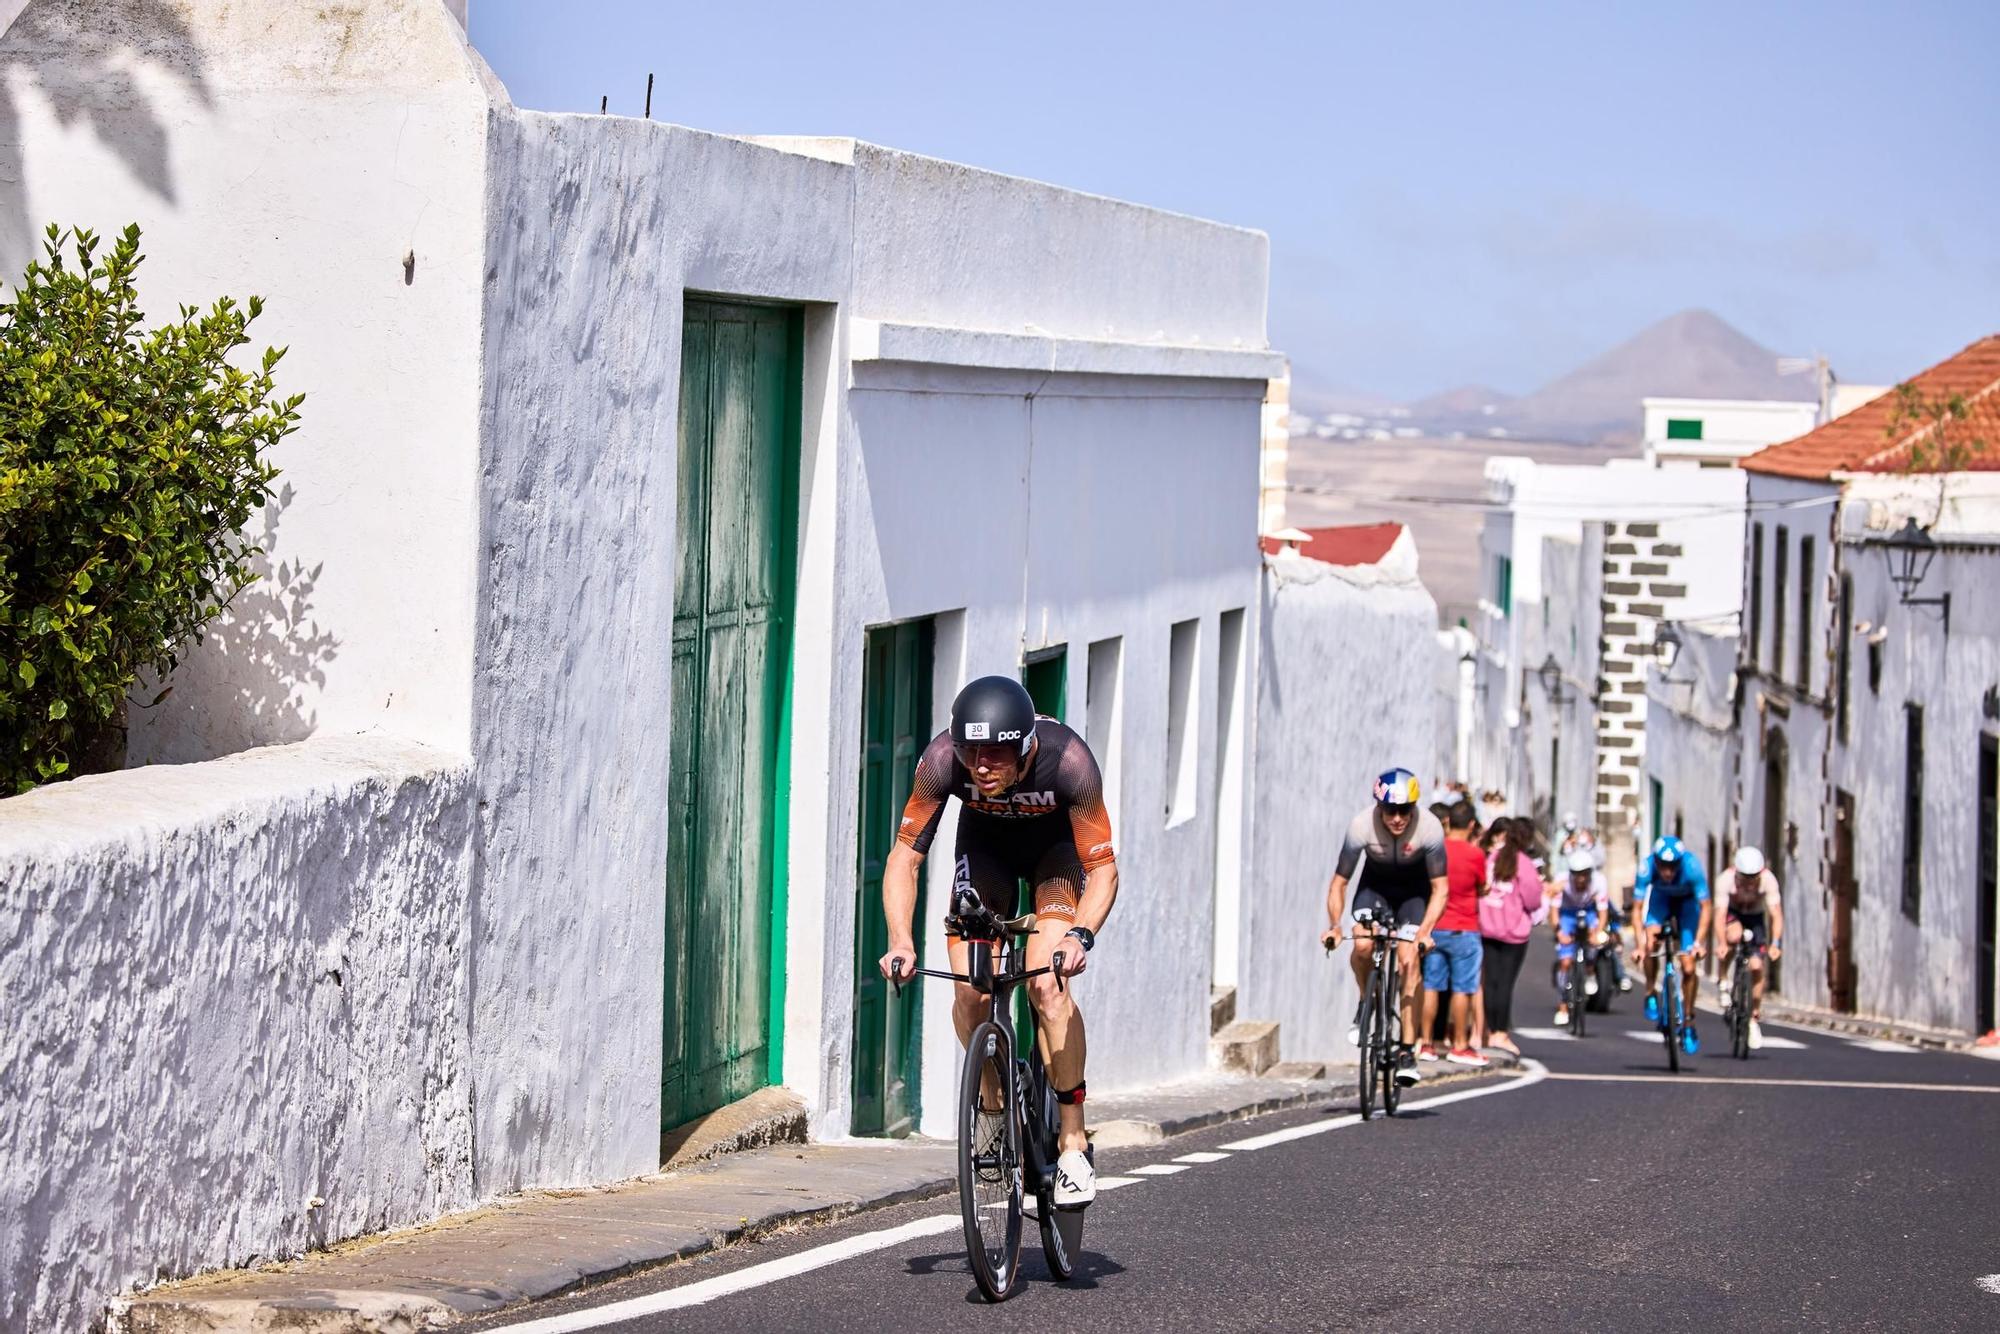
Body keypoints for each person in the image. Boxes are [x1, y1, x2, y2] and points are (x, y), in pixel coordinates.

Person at [878, 676, 1117, 1207]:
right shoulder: (942, 760)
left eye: (997, 752)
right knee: (971, 991)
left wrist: (1081, 935)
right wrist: (900, 940)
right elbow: (905, 857)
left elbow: (1102, 869)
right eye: (972, 752)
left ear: (1027, 744)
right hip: (985, 853)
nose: (981, 765)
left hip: (1055, 857)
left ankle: (1074, 1140)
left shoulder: (1070, 762)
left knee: (1048, 986)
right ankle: (991, 1106)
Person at [1321, 769, 1449, 1087]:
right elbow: (1339, 883)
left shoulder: (1430, 828)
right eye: (1389, 810)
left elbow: (1441, 888)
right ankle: (1367, 1002)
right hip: (1375, 888)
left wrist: (1425, 931)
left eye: (1405, 810)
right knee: (1362, 945)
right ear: (1378, 806)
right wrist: (1335, 926)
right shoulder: (1361, 826)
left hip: (1413, 894)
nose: (1397, 818)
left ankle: (1407, 1051)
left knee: (1408, 961)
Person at [1419, 801, 1489, 1066]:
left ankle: (1426, 1042)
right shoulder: (1475, 854)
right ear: (1471, 824)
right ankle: (1460, 1044)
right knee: (1463, 988)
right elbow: (1481, 886)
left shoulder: (1437, 850)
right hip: (1464, 928)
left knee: (1431, 986)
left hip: (1436, 926)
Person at [1628, 835, 1712, 1055]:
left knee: (1688, 966)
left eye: (1672, 867)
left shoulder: (1692, 867)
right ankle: (1649, 990)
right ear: (1656, 861)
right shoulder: (1646, 867)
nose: (1667, 872)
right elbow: (1637, 910)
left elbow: (1706, 907)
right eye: (1663, 866)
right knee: (1650, 942)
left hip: (1687, 907)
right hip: (1660, 902)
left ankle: (1689, 1020)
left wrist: (1698, 943)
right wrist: (1639, 945)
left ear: (1680, 862)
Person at [1475, 822, 1543, 1054]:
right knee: (1505, 983)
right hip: (1513, 932)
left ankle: (1490, 1030)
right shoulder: (1523, 863)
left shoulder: (1492, 858)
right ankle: (1500, 1033)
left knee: (1490, 982)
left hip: (1488, 926)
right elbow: (1534, 899)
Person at [1715, 845, 1785, 1050]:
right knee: (1733, 936)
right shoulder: (1725, 880)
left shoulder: (1768, 880)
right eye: (1744, 877)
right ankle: (1724, 980)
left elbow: (1776, 915)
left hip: (1755, 917)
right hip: (1733, 914)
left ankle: (1753, 1014)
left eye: (1753, 877)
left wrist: (1776, 943)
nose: (1748, 882)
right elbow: (1719, 916)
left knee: (1756, 967)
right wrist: (1721, 943)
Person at [1550, 849, 1609, 1028]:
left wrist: (1597, 931)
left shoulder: (1599, 881)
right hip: (1567, 914)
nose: (1580, 879)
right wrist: (1560, 932)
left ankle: (1590, 970)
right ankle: (1562, 1007)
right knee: (1566, 963)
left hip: (1589, 911)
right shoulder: (1562, 881)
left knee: (1595, 940)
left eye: (1584, 875)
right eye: (1576, 875)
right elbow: (1554, 912)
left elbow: (1603, 912)